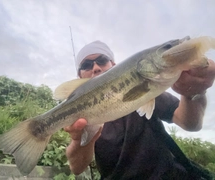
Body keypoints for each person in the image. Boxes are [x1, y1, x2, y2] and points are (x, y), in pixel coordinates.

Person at [64, 40, 215, 179]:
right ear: (79, 77)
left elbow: (190, 124)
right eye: (86, 65)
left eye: (102, 61)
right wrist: (79, 141)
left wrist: (193, 92)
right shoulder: (80, 116)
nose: (96, 68)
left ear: (114, 65)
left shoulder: (147, 90)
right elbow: (77, 167)